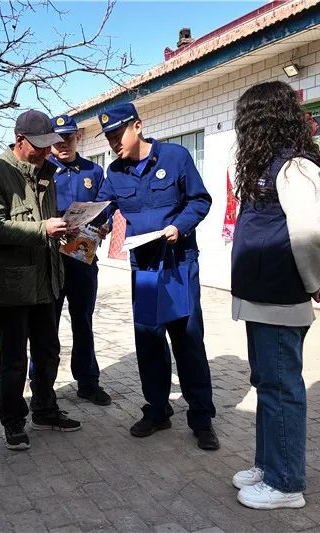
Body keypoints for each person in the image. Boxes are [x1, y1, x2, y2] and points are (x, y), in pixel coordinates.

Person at [229, 81, 320, 510]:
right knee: (266, 384)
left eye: (246, 120)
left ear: (263, 121)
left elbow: (309, 236)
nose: (242, 129)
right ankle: (268, 465)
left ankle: (286, 484)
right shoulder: (268, 166)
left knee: (281, 388)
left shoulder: (296, 168)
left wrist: (310, 282)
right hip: (260, 297)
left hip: (280, 298)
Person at [96, 103, 219, 451]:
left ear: (137, 126)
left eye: (117, 134)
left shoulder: (176, 157)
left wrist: (179, 227)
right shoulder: (115, 172)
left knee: (187, 339)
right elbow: (103, 208)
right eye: (108, 137)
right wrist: (95, 225)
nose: (113, 143)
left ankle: (201, 418)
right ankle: (157, 410)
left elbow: (200, 200)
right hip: (145, 268)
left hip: (178, 264)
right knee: (149, 340)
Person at [0, 109, 82, 452]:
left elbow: (46, 222)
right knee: (14, 359)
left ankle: (45, 409)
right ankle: (13, 421)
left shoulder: (47, 171)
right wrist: (42, 229)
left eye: (49, 145)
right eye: (39, 145)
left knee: (48, 351)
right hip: (13, 285)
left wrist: (64, 230)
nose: (46, 152)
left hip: (47, 279)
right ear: (19, 140)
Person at [47, 114, 111, 406]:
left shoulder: (93, 171)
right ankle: (43, 387)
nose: (63, 144)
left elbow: (105, 208)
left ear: (78, 137)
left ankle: (88, 383)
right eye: (57, 139)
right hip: (51, 259)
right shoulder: (42, 170)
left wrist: (106, 225)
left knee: (83, 322)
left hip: (83, 258)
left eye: (68, 138)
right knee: (46, 325)